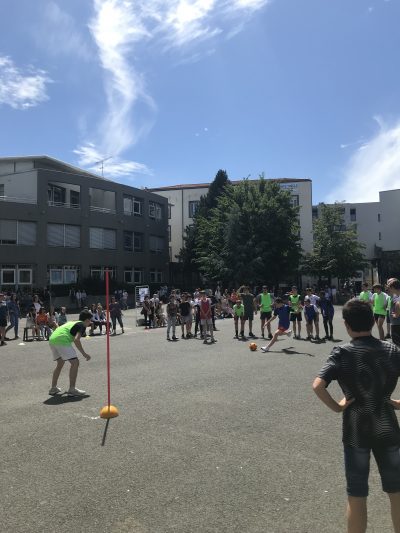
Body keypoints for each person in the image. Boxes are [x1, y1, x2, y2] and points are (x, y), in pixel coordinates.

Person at [312, 299, 400, 533]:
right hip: (387, 426)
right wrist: (397, 403)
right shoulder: (392, 350)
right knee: (397, 491)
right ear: (373, 321)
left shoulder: (342, 352)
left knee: (357, 493)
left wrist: (338, 407)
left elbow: (318, 385)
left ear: (346, 324)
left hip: (355, 428)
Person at [48, 310, 92, 396]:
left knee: (60, 363)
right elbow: (76, 340)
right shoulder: (82, 325)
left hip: (52, 338)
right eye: (90, 320)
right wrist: (84, 354)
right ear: (86, 320)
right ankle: (72, 389)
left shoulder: (73, 322)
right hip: (62, 339)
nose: (90, 322)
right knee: (75, 363)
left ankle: (53, 388)